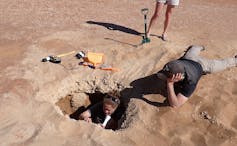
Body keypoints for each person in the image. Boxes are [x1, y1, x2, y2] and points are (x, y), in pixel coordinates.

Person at [157, 45, 237, 108]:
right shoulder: (172, 66)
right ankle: (199, 47)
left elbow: (175, 105)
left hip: (204, 65)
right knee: (194, 48)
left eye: (168, 76)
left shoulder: (191, 80)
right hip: (188, 58)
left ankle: (235, 60)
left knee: (223, 64)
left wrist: (170, 84)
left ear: (181, 76)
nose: (165, 77)